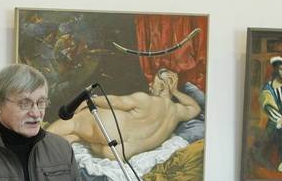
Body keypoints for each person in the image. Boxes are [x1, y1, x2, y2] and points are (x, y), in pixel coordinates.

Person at [47, 68, 201, 159]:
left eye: (153, 82)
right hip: (119, 152)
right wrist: (175, 91)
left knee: (75, 121)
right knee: (79, 136)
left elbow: (115, 102)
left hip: (110, 129)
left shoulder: (146, 99)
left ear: (161, 87)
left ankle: (41, 140)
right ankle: (78, 137)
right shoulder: (178, 111)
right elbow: (196, 108)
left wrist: (88, 100)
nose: (150, 84)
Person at [259, 56, 282, 164]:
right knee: (272, 134)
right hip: (276, 119)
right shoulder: (268, 89)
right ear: (275, 70)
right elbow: (271, 110)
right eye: (280, 69)